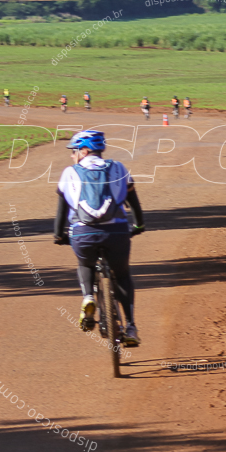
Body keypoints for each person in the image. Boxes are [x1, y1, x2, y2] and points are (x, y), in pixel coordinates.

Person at [53, 131, 145, 346]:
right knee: (122, 275)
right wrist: (139, 225)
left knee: (85, 262)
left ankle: (88, 297)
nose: (71, 156)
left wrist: (58, 235)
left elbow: (60, 211)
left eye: (74, 152)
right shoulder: (119, 168)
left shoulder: (69, 173)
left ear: (84, 151)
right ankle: (130, 326)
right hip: (117, 233)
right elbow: (135, 203)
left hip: (83, 234)